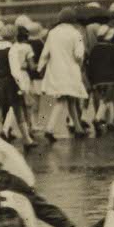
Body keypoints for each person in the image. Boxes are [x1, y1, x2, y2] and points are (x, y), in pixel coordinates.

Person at [38, 8, 89, 139]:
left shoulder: (53, 33)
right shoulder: (75, 34)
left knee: (70, 99)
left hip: (55, 70)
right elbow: (79, 54)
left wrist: (40, 68)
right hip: (71, 71)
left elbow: (45, 53)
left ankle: (78, 128)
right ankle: (49, 128)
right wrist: (81, 64)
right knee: (63, 99)